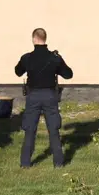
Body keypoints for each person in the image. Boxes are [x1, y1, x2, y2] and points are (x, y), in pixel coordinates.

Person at [15, 28, 72, 168]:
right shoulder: (54, 58)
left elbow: (17, 72)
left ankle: (25, 163)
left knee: (30, 129)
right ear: (45, 39)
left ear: (34, 39)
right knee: (53, 129)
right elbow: (68, 74)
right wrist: (57, 66)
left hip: (33, 96)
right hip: (50, 96)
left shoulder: (27, 58)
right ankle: (58, 163)